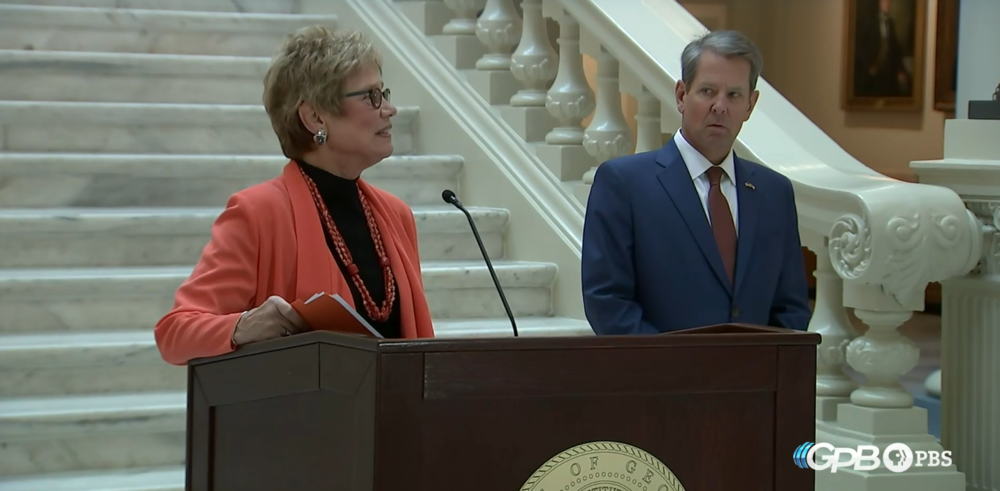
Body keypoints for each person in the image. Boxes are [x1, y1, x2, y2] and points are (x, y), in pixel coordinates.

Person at [154, 26, 434, 366]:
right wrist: (244, 325)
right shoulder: (258, 213)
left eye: (384, 93)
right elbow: (174, 332)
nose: (389, 109)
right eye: (370, 96)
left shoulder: (395, 214)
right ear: (315, 116)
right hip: (305, 414)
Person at [580, 30, 811, 335]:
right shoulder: (624, 184)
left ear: (750, 105)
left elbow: (791, 307)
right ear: (681, 96)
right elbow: (608, 302)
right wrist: (680, 368)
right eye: (707, 91)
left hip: (754, 379)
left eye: (734, 95)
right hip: (664, 377)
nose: (720, 106)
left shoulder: (774, 193)